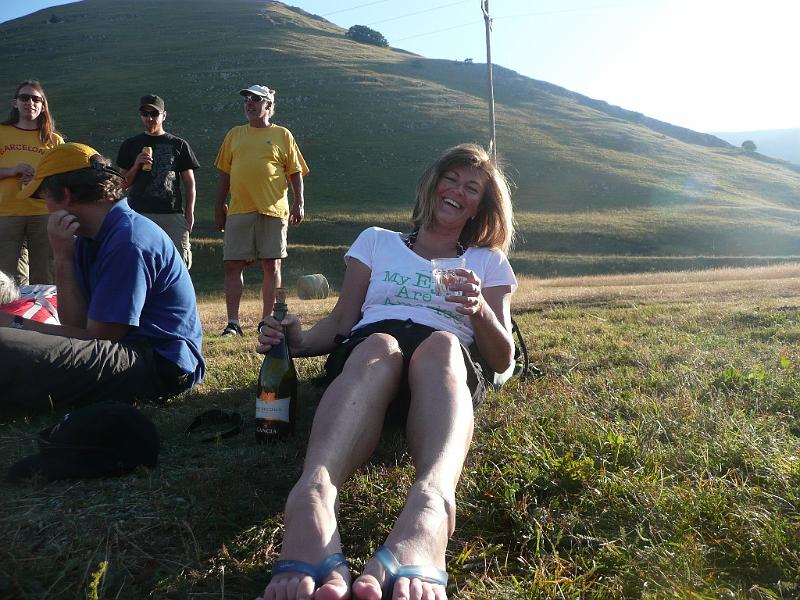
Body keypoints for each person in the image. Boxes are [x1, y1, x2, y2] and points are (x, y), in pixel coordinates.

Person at [257, 144, 517, 600]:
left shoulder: (486, 261)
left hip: (442, 376)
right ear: (432, 184)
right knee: (380, 343)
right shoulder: (376, 241)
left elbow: (502, 360)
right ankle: (311, 497)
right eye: (450, 179)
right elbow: (341, 322)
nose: (457, 191)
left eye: (471, 187)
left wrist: (479, 310)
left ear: (481, 205)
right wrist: (296, 343)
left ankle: (431, 508)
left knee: (440, 343)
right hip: (369, 360)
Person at [0, 142, 205, 411]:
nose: (44, 207)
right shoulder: (89, 238)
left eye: (44, 196)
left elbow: (99, 337)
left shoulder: (128, 240)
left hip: (157, 366)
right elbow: (75, 326)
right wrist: (63, 257)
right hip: (123, 351)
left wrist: (16, 324)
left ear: (65, 194)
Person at [214, 84, 308, 337]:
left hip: (273, 210)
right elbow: (224, 174)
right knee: (232, 265)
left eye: (256, 99)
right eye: (247, 100)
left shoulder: (283, 134)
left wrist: (299, 202)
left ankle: (267, 321)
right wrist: (218, 206)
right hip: (238, 210)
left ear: (268, 105)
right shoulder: (234, 134)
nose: (249, 104)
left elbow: (295, 171)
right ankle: (233, 323)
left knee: (271, 265)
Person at [116, 94, 200, 269]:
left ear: (164, 115)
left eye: (154, 114)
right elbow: (121, 184)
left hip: (172, 213)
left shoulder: (179, 145)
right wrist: (137, 165)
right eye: (145, 114)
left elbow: (189, 183)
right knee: (138, 264)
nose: (149, 118)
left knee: (178, 264)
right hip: (138, 213)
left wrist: (189, 213)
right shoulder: (131, 144)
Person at [0, 80, 64, 285]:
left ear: (43, 105)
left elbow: (62, 177)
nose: (30, 102)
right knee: (6, 274)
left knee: (45, 271)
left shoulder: (54, 140)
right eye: (24, 97)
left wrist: (40, 178)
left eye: (36, 99)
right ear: (15, 103)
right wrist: (12, 171)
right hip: (6, 212)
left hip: (44, 212)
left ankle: (40, 316)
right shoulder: (2, 132)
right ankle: (10, 316)